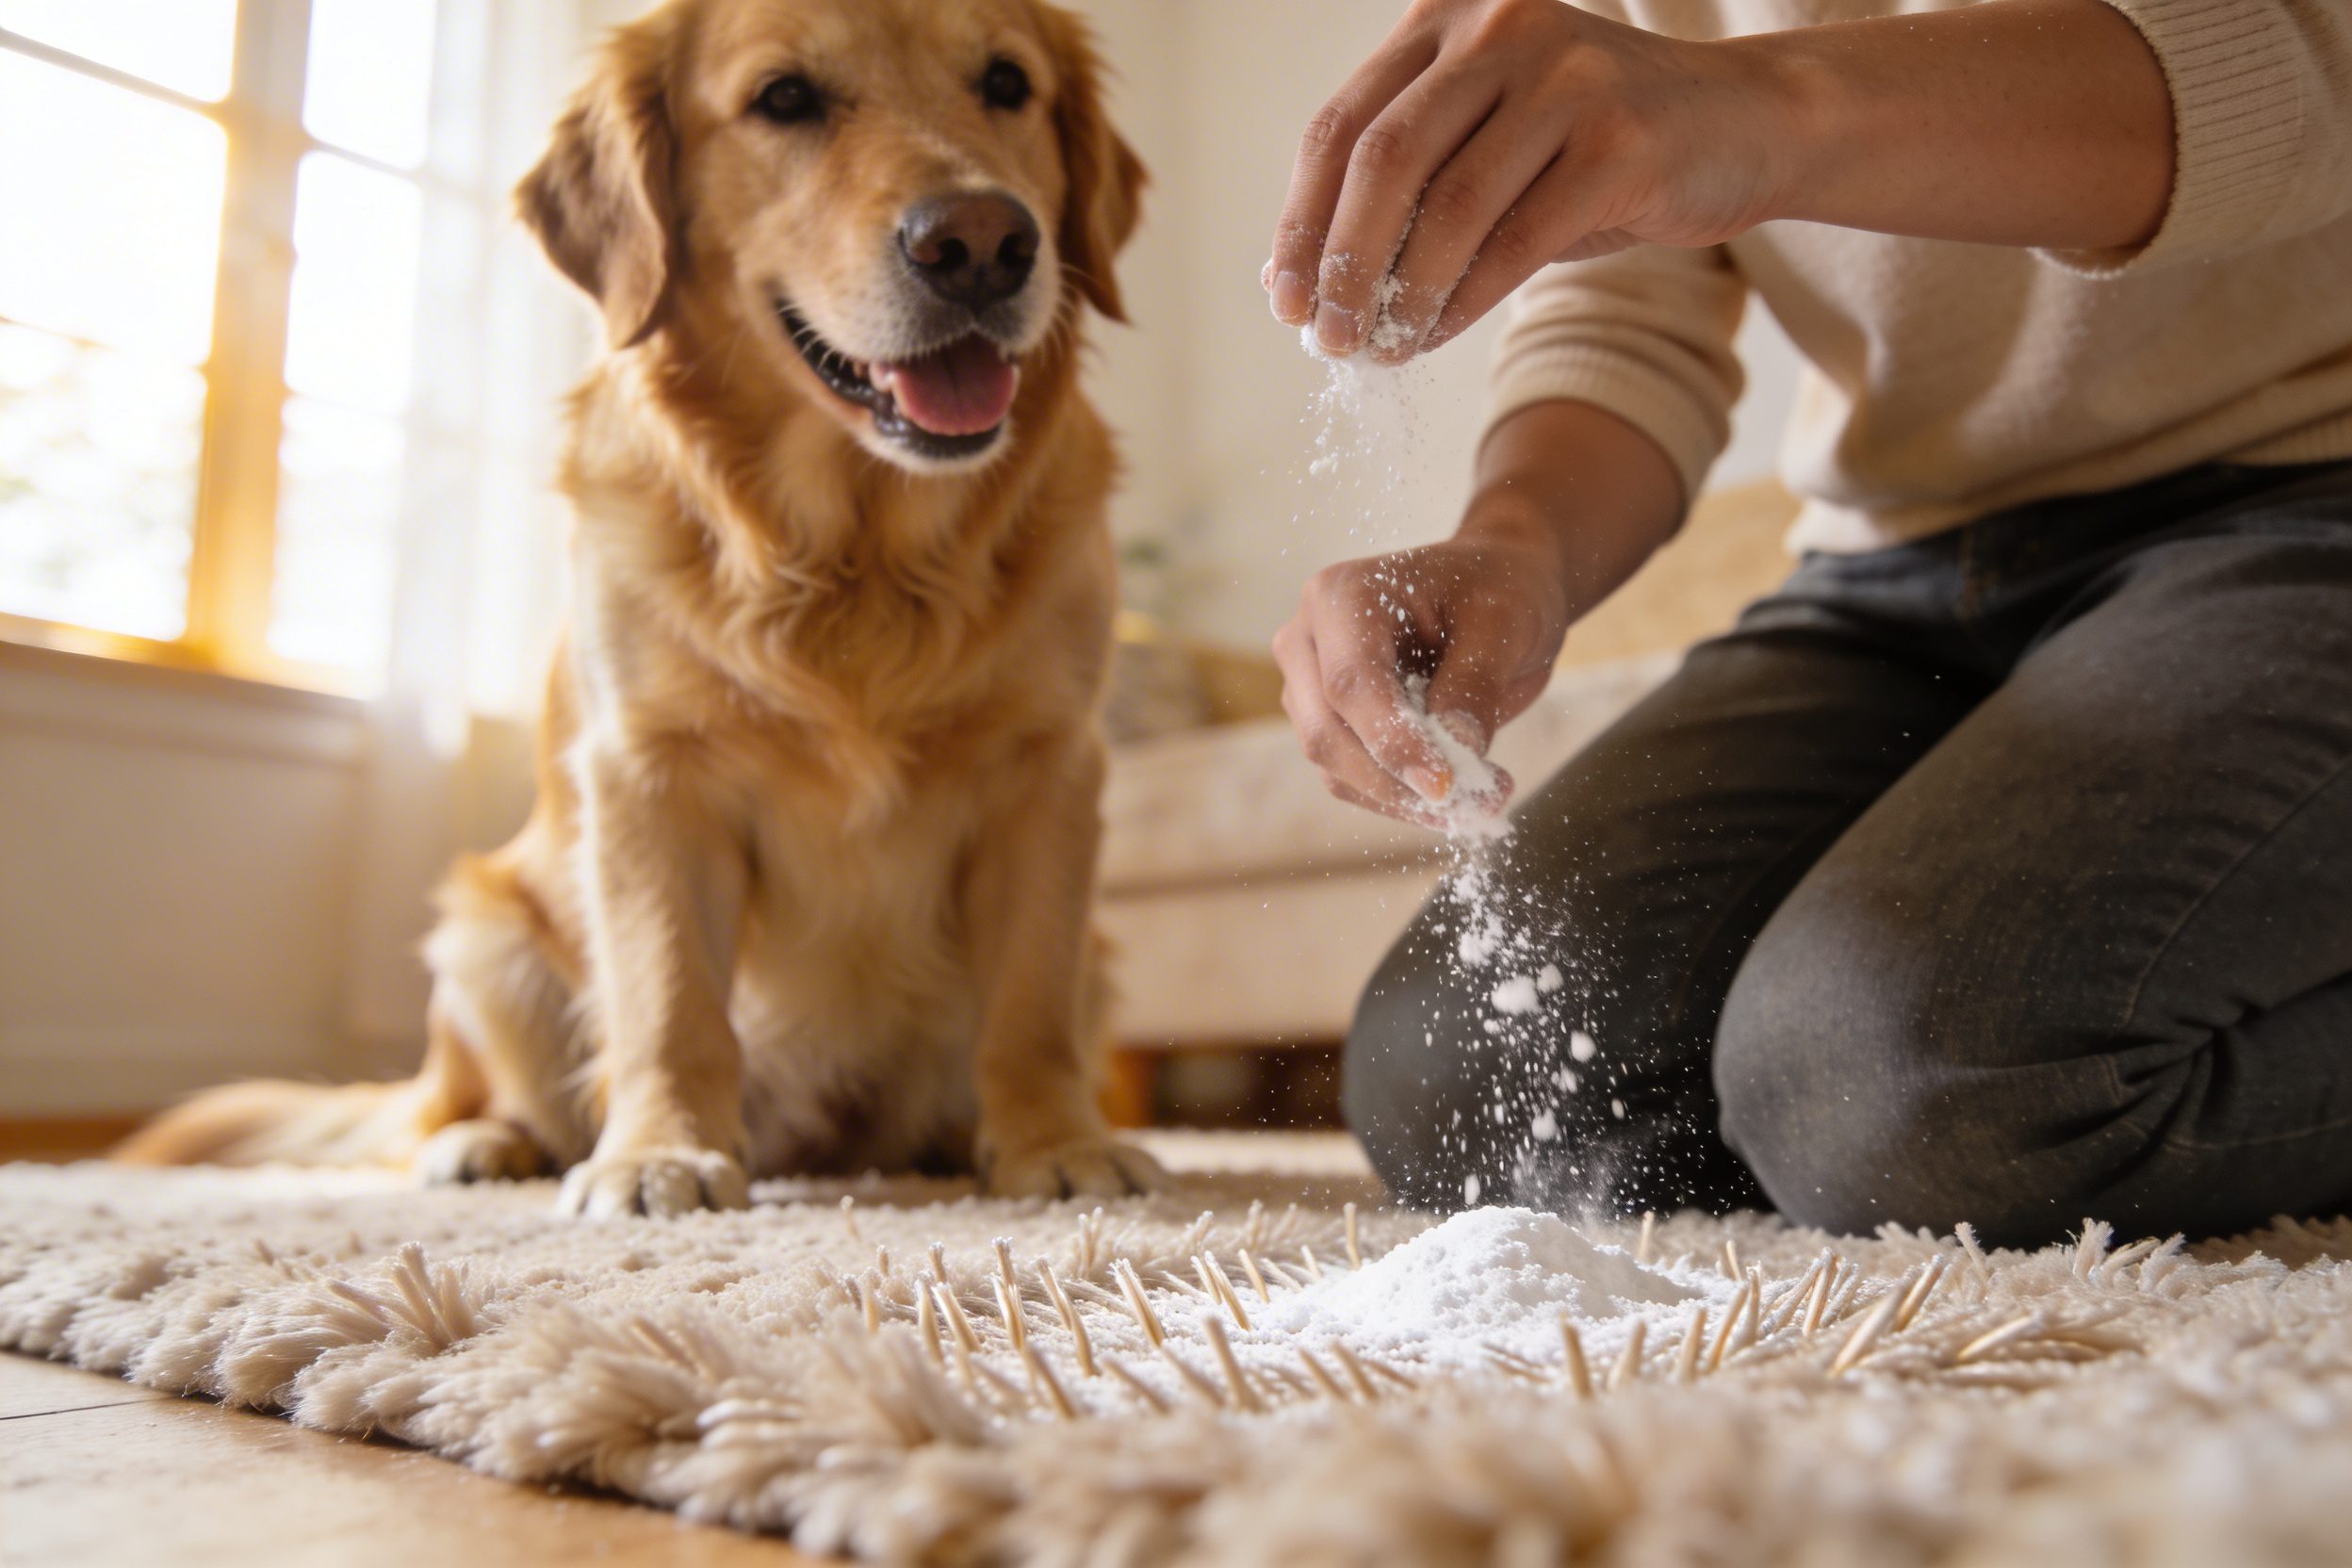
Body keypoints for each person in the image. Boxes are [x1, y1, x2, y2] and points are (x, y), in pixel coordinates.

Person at [1266, 0, 2352, 1246]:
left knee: (1920, 1097)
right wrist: (1516, 544)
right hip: (1891, 569)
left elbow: (2296, 70)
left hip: (2308, 508)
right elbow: (1626, 311)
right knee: (1457, 1082)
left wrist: (1757, 103)